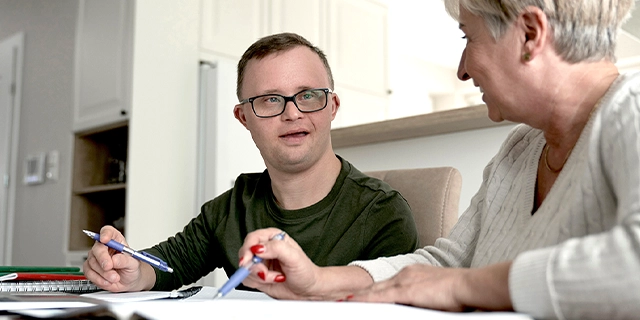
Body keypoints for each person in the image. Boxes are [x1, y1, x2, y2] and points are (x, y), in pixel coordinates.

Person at [236, 1, 640, 319]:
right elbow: (445, 263)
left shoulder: (631, 109)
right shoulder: (519, 150)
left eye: (468, 37)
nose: (462, 70)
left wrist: (462, 287)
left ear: (530, 34)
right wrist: (318, 282)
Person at [82, 32, 419, 293]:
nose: (292, 112)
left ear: (332, 106)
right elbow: (166, 265)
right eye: (270, 100)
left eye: (308, 95)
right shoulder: (231, 208)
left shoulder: (383, 214)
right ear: (244, 117)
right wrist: (128, 271)